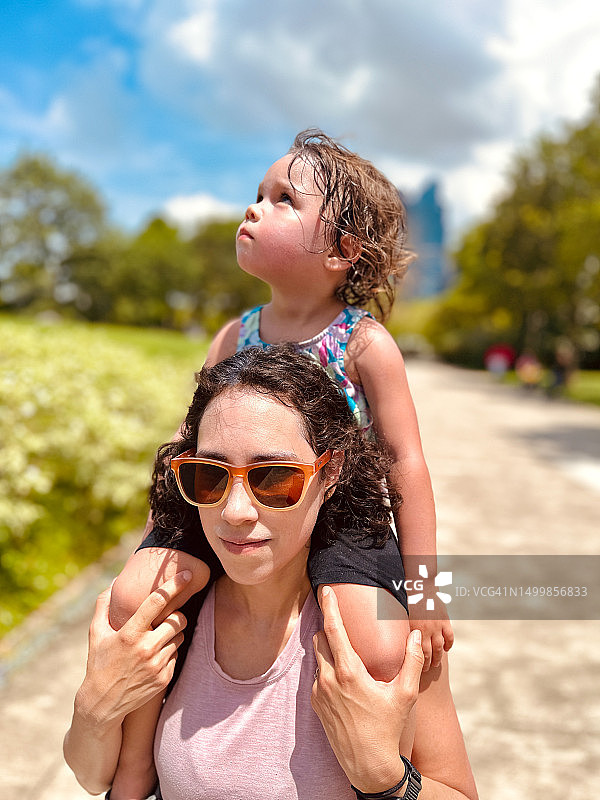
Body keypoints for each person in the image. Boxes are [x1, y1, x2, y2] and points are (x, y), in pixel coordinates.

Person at [108, 129, 453, 797]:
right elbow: (190, 438)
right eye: (256, 195)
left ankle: (379, 761)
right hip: (228, 502)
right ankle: (132, 770)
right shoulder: (237, 333)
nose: (255, 209)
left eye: (282, 200)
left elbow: (407, 463)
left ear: (342, 251)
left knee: (375, 639)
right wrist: (164, 527)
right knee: (134, 598)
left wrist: (428, 590)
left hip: (337, 517)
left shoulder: (364, 343)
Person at [64, 346, 477, 800]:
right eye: (209, 476)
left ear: (331, 472)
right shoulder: (165, 617)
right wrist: (93, 707)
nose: (236, 511)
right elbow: (97, 780)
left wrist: (388, 780)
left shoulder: (386, 636)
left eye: (275, 478)